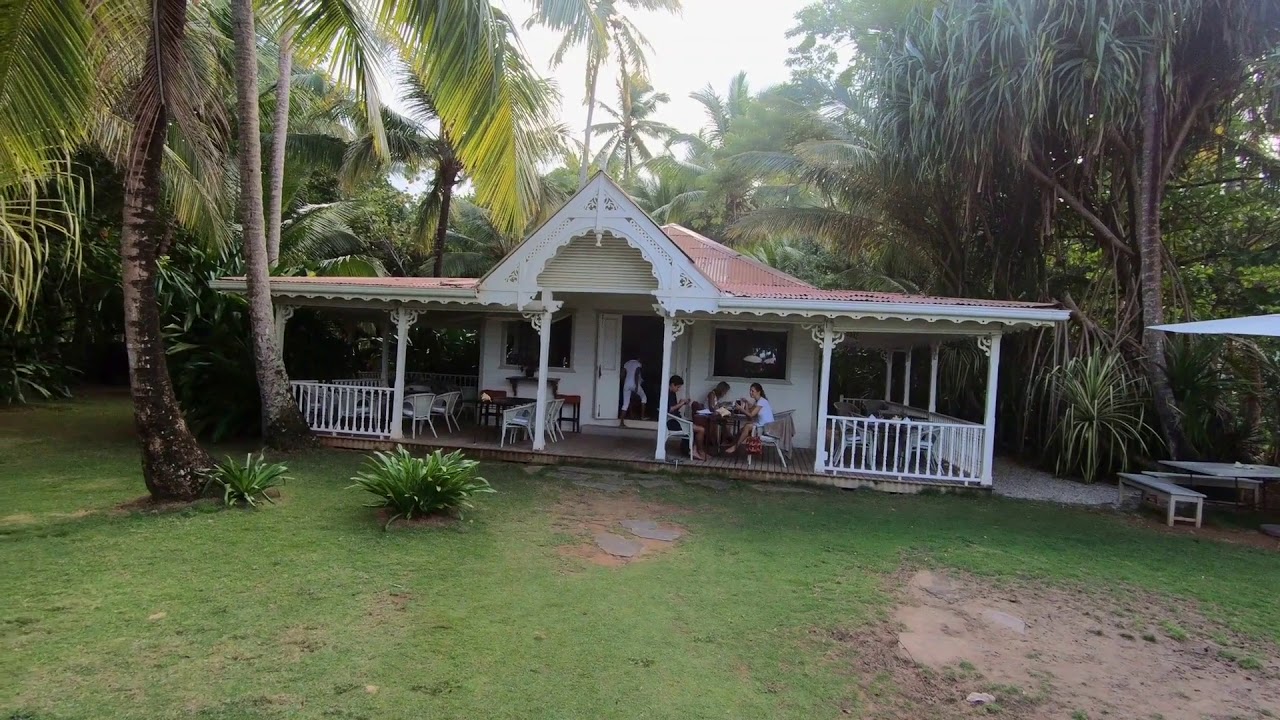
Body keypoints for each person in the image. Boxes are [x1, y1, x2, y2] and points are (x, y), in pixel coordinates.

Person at [724, 382, 774, 455]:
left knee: (747, 426)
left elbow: (751, 415)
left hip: (766, 428)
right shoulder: (758, 401)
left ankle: (735, 447)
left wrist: (741, 409)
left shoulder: (762, 401)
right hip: (761, 425)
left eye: (752, 391)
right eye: (750, 390)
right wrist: (746, 403)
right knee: (743, 428)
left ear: (758, 392)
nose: (750, 392)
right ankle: (733, 444)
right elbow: (749, 417)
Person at [666, 375, 706, 460]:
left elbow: (674, 410)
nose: (678, 389)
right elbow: (669, 410)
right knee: (701, 429)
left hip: (676, 419)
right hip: (672, 422)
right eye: (678, 387)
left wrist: (682, 403)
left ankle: (691, 449)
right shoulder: (666, 394)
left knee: (696, 424)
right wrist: (680, 404)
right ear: (672, 384)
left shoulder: (672, 393)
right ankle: (699, 451)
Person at [619, 358, 645, 426]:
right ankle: (642, 417)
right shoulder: (638, 364)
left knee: (625, 404)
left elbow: (622, 375)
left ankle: (621, 423)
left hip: (626, 384)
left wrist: (623, 383)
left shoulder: (626, 363)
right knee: (644, 397)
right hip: (634, 384)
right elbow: (636, 374)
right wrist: (636, 386)